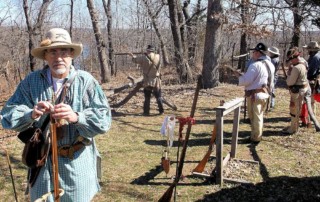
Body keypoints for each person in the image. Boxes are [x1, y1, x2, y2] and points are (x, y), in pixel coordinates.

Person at [0, 28, 112, 201]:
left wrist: (76, 117)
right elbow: (7, 116)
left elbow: (104, 119)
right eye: (53, 51)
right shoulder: (32, 81)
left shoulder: (86, 81)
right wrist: (31, 114)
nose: (58, 57)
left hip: (76, 166)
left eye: (64, 51)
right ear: (45, 55)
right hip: (41, 166)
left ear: (72, 55)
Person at [232, 42, 275, 144]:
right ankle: (256, 135)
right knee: (259, 116)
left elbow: (246, 81)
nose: (253, 54)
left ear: (258, 53)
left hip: (255, 95)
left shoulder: (255, 65)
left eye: (254, 52)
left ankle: (255, 138)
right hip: (265, 94)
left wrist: (238, 76)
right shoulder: (270, 64)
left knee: (256, 117)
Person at [282, 47, 320, 134]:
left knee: (294, 110)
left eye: (291, 60)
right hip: (306, 88)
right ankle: (308, 123)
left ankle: (293, 129)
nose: (291, 62)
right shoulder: (304, 63)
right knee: (308, 108)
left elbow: (290, 82)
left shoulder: (296, 68)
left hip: (298, 91)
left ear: (294, 58)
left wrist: (288, 75)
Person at [129, 45, 164, 115]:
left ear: (148, 50)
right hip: (157, 80)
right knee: (159, 96)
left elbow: (135, 60)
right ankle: (161, 111)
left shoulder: (143, 57)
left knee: (147, 97)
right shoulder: (158, 56)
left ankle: (146, 112)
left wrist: (132, 55)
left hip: (148, 80)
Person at [303, 41, 320, 113]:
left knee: (310, 100)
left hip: (313, 81)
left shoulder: (315, 58)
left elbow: (311, 72)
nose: (307, 51)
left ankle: (310, 116)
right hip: (314, 79)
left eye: (308, 49)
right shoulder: (315, 56)